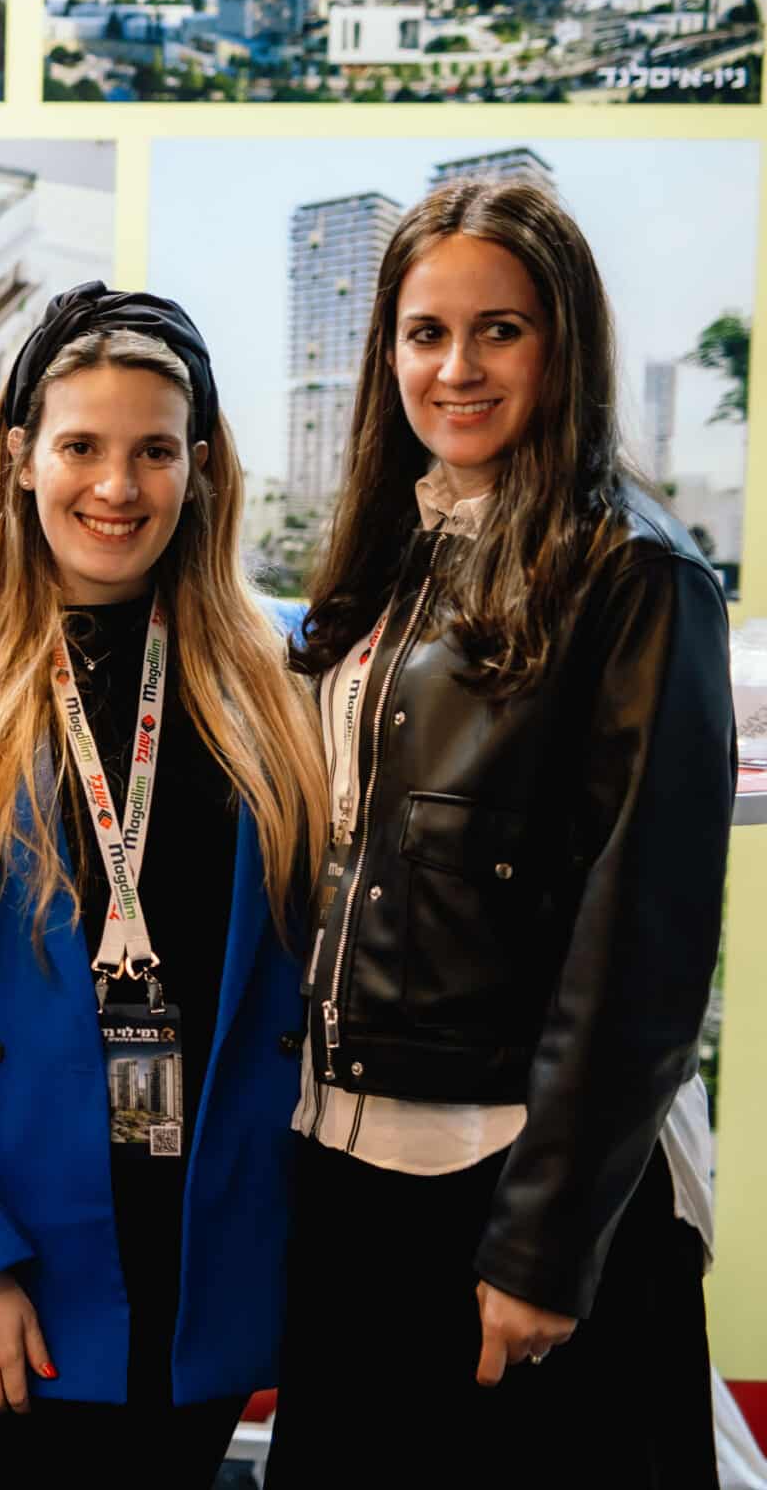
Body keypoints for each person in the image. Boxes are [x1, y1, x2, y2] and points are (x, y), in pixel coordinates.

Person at [270, 180, 731, 1488]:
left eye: (500, 330)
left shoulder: (635, 575)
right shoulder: (397, 549)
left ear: (563, 342)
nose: (455, 367)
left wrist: (544, 1243)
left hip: (508, 1178)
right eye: (425, 332)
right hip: (353, 1161)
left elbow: (642, 951)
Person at [0, 283, 326, 1486]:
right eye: (80, 447)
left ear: (200, 467)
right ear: (18, 457)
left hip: (196, 1242)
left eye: (154, 450)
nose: (116, 485)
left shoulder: (282, 667)